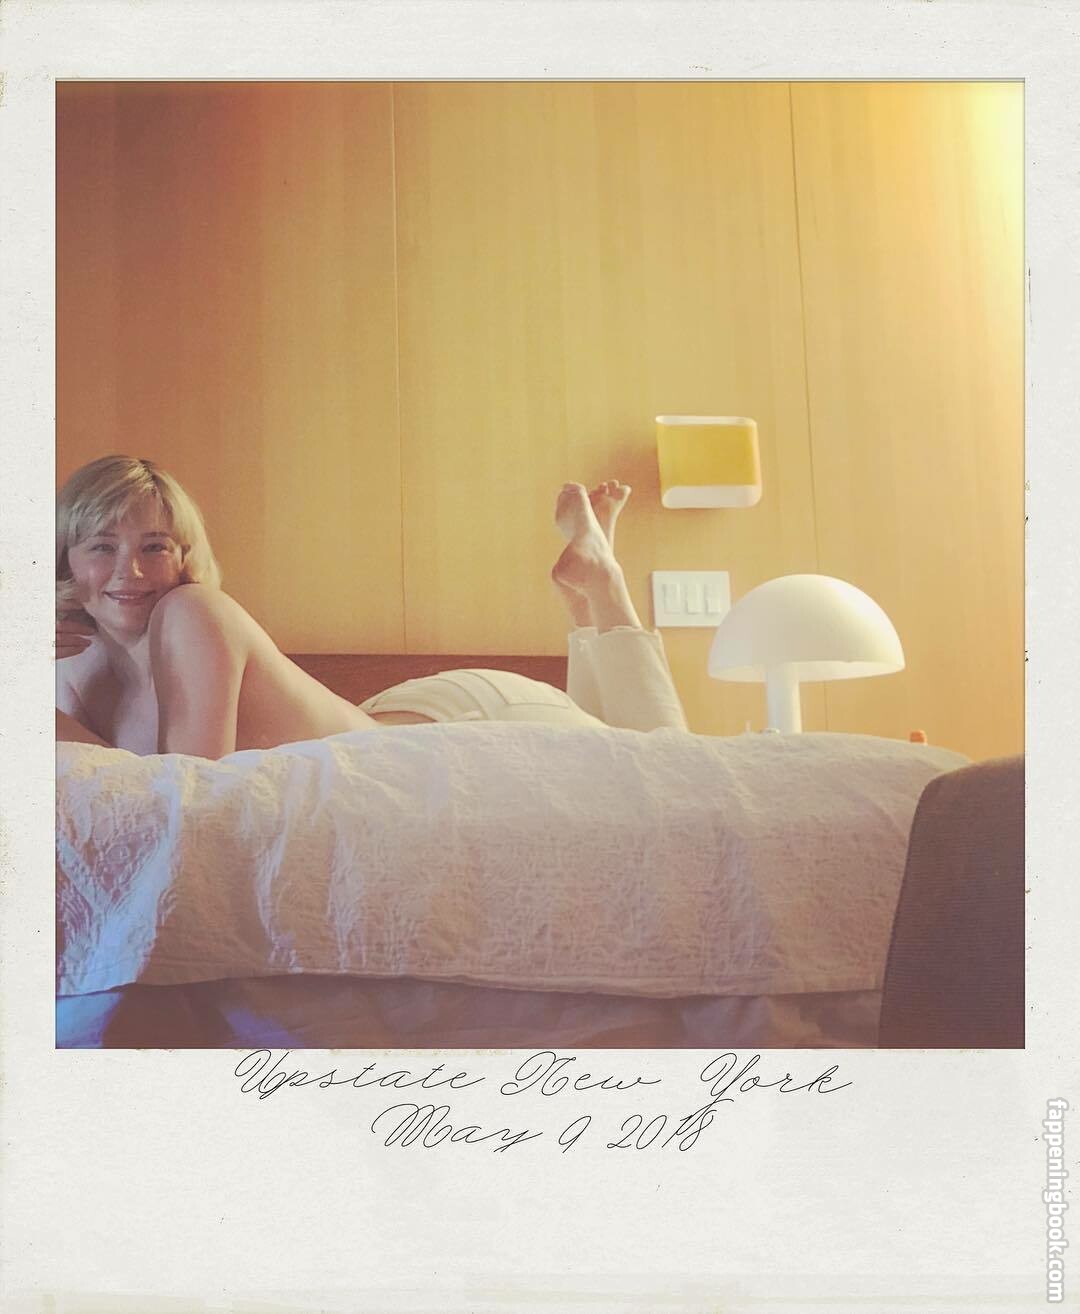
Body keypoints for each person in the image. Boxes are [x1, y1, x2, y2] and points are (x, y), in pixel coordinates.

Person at [56, 456, 687, 759]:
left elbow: (185, 796)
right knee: (624, 752)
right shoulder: (75, 662)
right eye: (102, 547)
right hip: (398, 716)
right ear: (66, 559)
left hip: (471, 730)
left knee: (665, 764)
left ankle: (605, 584)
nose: (129, 572)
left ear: (184, 556)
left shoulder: (193, 612)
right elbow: (103, 786)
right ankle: (588, 591)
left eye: (155, 547)